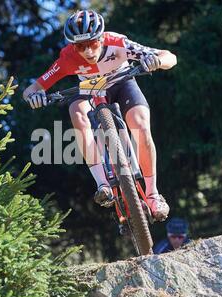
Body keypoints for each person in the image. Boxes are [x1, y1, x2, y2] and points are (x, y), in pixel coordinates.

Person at [23, 10, 177, 221]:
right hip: (90, 92)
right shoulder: (67, 58)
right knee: (76, 110)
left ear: (102, 37)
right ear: (73, 46)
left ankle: (153, 194)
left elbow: (169, 56)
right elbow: (32, 89)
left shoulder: (118, 43)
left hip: (122, 83)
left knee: (140, 125)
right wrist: (35, 97)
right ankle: (102, 184)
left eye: (93, 43)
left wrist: (156, 61)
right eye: (80, 46)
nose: (87, 51)